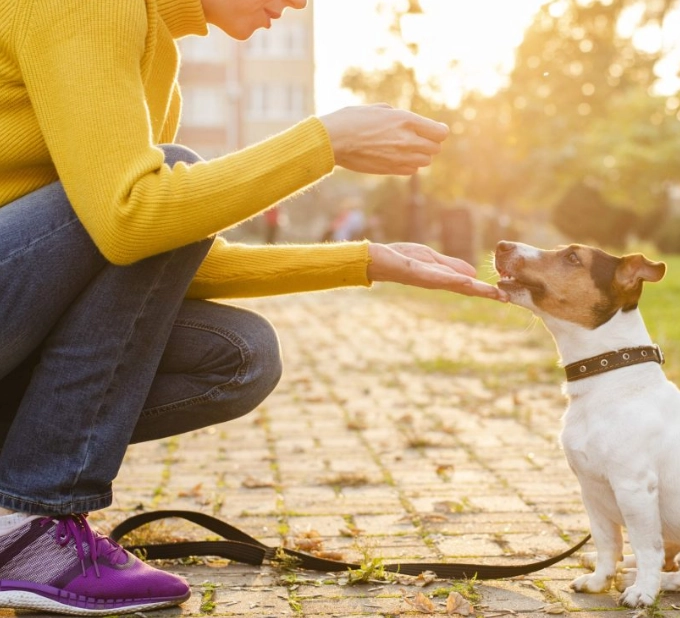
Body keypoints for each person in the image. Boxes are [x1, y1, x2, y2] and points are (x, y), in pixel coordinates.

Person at [0, 0, 508, 615]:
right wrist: (324, 142)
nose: (300, 3)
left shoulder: (156, 54)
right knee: (176, 178)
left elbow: (148, 261)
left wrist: (366, 261)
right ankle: (27, 522)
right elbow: (134, 219)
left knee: (240, 355)